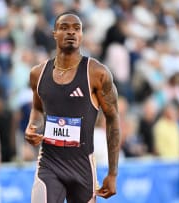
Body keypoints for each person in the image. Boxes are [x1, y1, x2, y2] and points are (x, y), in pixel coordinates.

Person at [25, 12, 121, 203]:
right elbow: (37, 109)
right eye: (64, 28)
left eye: (76, 29)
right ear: (54, 34)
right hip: (49, 164)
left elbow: (113, 118)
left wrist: (112, 173)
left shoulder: (97, 73)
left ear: (82, 35)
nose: (71, 32)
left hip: (82, 166)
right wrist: (32, 126)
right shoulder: (38, 73)